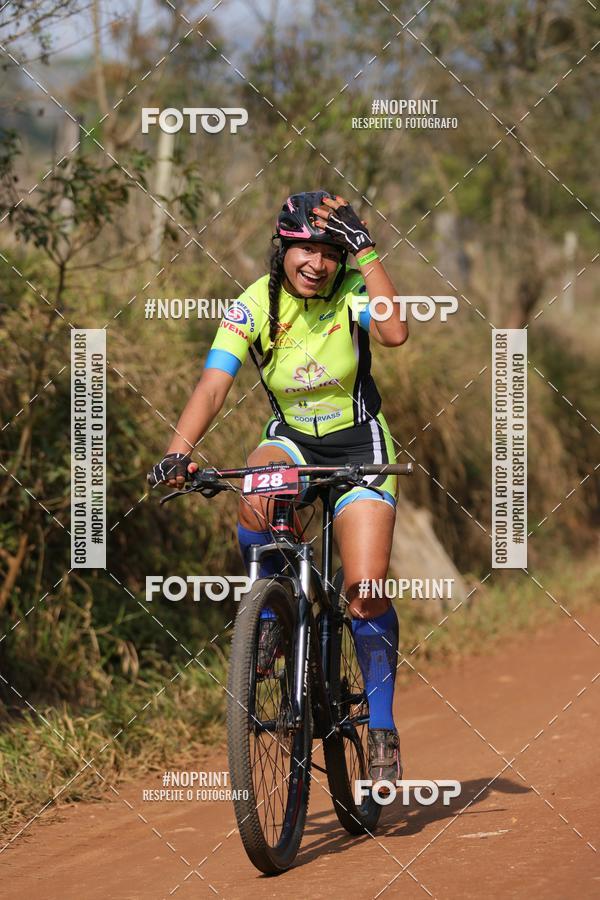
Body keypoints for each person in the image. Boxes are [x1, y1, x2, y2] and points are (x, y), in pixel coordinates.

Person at [149, 190, 408, 781]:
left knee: (365, 588)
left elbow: (395, 336)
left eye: (328, 252)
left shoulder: (351, 294)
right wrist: (177, 453)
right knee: (257, 493)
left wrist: (366, 252)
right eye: (303, 250)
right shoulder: (252, 305)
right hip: (292, 438)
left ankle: (385, 728)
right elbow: (213, 384)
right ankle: (266, 618)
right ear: (281, 248)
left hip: (359, 445)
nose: (315, 264)